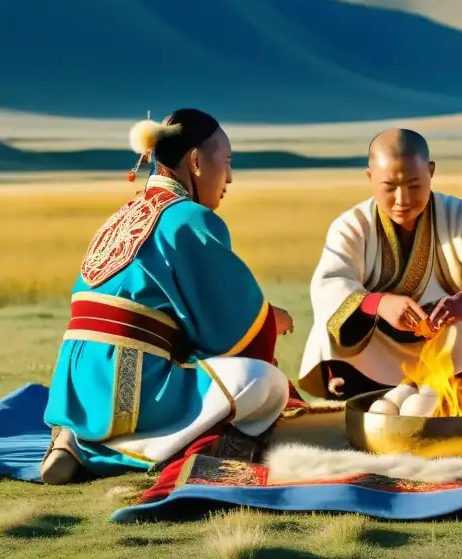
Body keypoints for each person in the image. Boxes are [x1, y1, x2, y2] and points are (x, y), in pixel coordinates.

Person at [40, 109, 296, 484]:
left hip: (75, 385)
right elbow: (229, 329)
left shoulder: (123, 215)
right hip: (129, 382)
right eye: (225, 162)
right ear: (195, 161)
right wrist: (273, 319)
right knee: (263, 381)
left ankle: (78, 437)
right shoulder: (190, 217)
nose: (229, 177)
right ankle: (137, 449)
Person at [297, 129, 462, 399]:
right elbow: (330, 284)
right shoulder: (352, 225)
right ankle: (360, 383)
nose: (402, 200)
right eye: (389, 187)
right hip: (378, 337)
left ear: (431, 172)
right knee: (331, 318)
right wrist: (379, 304)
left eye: (414, 186)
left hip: (447, 332)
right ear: (370, 177)